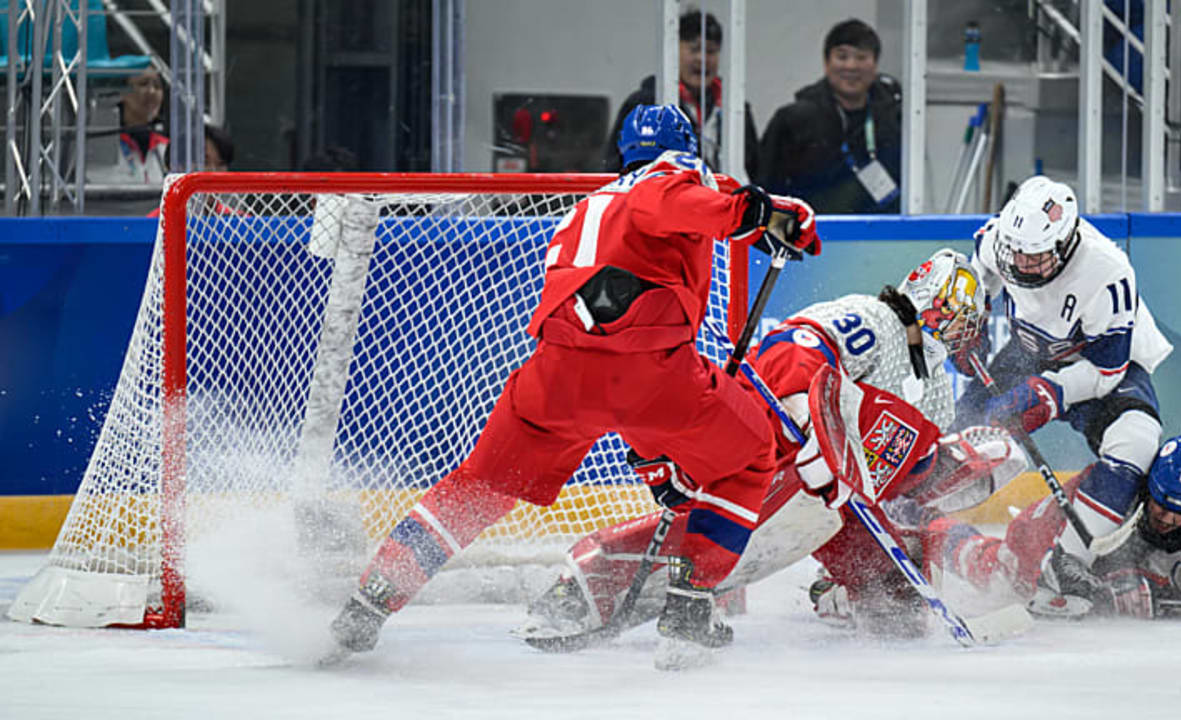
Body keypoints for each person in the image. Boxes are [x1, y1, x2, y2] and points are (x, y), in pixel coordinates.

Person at [325, 104, 821, 670]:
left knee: (478, 489)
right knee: (751, 454)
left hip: (556, 375)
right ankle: (689, 604)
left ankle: (371, 599)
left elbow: (658, 237)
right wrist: (750, 211)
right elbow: (672, 200)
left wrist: (767, 213)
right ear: (686, 152)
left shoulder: (592, 203)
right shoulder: (668, 177)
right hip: (648, 370)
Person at [517, 248, 1029, 642]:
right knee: (717, 527)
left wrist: (945, 469)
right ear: (942, 305)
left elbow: (898, 471)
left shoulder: (932, 381)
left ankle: (837, 593)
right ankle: (585, 585)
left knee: (894, 605)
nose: (970, 331)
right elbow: (793, 346)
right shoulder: (877, 320)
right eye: (966, 317)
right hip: (768, 443)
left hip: (828, 494)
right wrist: (803, 413)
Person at [954, 174, 1173, 573]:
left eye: (1034, 256)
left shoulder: (1107, 274)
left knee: (1137, 441)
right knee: (958, 434)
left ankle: (1068, 563)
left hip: (1099, 363)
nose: (1021, 263)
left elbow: (1107, 371)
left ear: (1066, 242)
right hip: (1029, 351)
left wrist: (1047, 393)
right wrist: (974, 321)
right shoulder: (1000, 239)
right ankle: (913, 532)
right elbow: (979, 273)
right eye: (1016, 252)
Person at [917, 436, 1181, 620]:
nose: (1167, 518)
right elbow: (1056, 553)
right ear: (1148, 487)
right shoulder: (1109, 493)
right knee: (1000, 572)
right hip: (1051, 539)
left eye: (1180, 513)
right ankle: (934, 529)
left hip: (1113, 563)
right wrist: (1107, 589)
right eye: (1160, 504)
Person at [757, 18, 902, 214]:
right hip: (813, 233)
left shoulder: (896, 117)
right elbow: (766, 185)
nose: (851, 66)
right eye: (842, 57)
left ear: (875, 64)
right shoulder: (794, 120)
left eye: (861, 57)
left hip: (883, 234)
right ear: (826, 63)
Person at [602, 10, 760, 178]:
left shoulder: (735, 109)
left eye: (711, 51)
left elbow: (754, 169)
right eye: (694, 49)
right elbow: (617, 168)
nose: (702, 59)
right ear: (673, 50)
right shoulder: (645, 106)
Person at [88, 68, 168, 186]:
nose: (151, 91)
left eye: (157, 86)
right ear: (123, 93)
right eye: (143, 84)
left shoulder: (165, 147)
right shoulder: (102, 142)